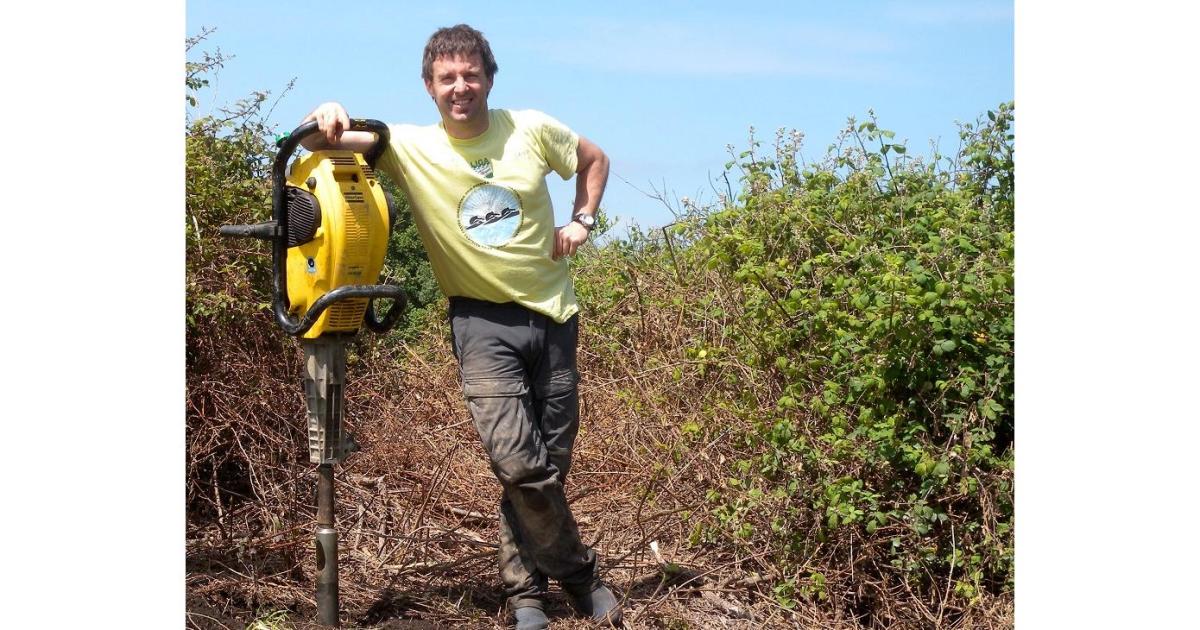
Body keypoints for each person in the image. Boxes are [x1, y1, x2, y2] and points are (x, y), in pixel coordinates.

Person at [299, 24, 620, 630]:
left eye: (471, 74)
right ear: (429, 87)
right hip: (480, 323)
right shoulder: (408, 145)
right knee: (519, 464)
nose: (460, 87)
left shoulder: (530, 128)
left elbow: (593, 159)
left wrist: (582, 220)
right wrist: (328, 112)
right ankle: (580, 575)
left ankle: (525, 595)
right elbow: (329, 140)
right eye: (447, 78)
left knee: (544, 464)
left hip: (554, 317)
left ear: (489, 79)